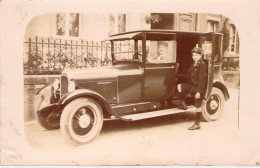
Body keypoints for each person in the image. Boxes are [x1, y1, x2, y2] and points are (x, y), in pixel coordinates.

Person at [177, 46, 207, 130]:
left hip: (198, 88)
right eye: (193, 55)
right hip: (192, 85)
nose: (194, 57)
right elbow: (189, 75)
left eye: (196, 55)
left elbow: (202, 80)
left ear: (201, 55)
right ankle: (184, 104)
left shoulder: (202, 65)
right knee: (179, 86)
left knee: (198, 106)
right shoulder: (194, 63)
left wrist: (198, 92)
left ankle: (197, 124)